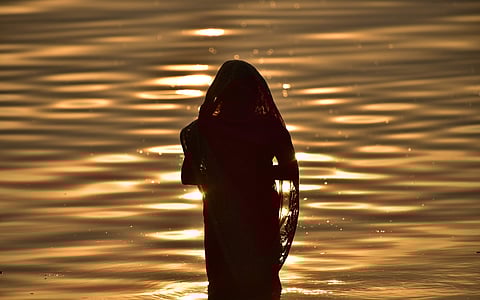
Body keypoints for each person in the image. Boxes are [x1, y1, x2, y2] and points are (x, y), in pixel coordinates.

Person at [180, 60, 299, 300]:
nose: (238, 102)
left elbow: (290, 172)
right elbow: (187, 176)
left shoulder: (270, 128)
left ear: (255, 96)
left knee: (261, 283)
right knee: (225, 284)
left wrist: (248, 174)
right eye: (233, 95)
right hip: (223, 217)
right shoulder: (204, 131)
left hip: (258, 215)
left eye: (243, 95)